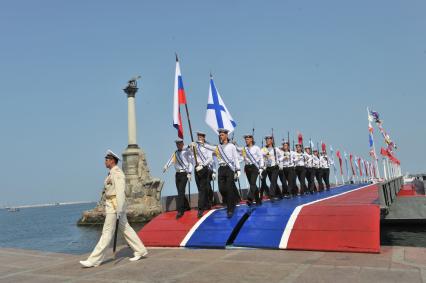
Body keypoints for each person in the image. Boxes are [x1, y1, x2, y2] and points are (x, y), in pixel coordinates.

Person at [79, 150, 148, 268]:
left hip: (115, 206)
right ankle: (140, 250)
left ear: (112, 161)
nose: (105, 162)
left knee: (106, 232)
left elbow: (120, 192)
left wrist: (119, 209)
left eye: (106, 159)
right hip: (111, 204)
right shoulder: (111, 173)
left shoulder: (117, 173)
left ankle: (94, 260)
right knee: (126, 229)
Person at [195, 128, 241, 218]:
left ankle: (230, 209)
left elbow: (236, 158)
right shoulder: (218, 147)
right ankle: (231, 201)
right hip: (221, 169)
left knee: (229, 189)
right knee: (222, 189)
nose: (221, 136)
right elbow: (209, 147)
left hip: (229, 168)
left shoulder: (231, 146)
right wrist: (200, 143)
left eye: (222, 135)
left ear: (226, 135)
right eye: (220, 135)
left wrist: (238, 169)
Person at [163, 139, 193, 219]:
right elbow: (171, 160)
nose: (178, 145)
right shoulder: (175, 153)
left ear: (182, 144)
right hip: (177, 174)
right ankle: (187, 206)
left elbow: (191, 162)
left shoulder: (187, 151)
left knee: (181, 191)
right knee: (179, 191)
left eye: (179, 143)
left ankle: (180, 211)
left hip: (184, 174)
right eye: (177, 144)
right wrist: (166, 166)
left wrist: (190, 173)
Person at [235, 134, 264, 205]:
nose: (246, 140)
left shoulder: (256, 148)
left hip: (254, 166)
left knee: (253, 183)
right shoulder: (244, 149)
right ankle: (258, 200)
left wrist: (261, 167)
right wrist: (234, 144)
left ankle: (250, 199)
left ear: (251, 139)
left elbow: (261, 158)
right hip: (247, 167)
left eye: (247, 139)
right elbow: (239, 150)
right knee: (252, 184)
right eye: (245, 139)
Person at [193, 131, 215, 218]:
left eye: (201, 137)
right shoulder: (195, 146)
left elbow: (210, 158)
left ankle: (200, 209)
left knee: (203, 189)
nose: (199, 138)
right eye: (198, 137)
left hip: (204, 168)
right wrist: (189, 146)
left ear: (204, 137)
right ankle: (207, 203)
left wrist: (203, 165)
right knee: (200, 188)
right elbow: (189, 154)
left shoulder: (207, 146)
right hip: (196, 168)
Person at [262, 136, 283, 200]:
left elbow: (282, 155)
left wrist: (279, 161)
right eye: (266, 140)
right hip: (268, 167)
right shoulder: (263, 149)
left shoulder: (275, 149)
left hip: (275, 167)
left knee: (273, 181)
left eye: (268, 140)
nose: (267, 141)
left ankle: (271, 194)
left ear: (271, 141)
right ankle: (279, 194)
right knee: (272, 181)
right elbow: (261, 157)